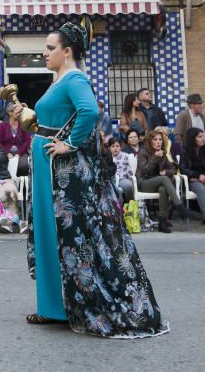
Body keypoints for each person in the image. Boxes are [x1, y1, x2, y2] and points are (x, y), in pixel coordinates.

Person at [17, 17, 169, 337]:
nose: (44, 53)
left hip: (62, 174)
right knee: (50, 234)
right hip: (48, 168)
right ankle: (53, 307)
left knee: (67, 238)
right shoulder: (59, 80)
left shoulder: (74, 79)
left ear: (67, 51)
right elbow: (52, 122)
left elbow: (90, 111)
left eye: (49, 48)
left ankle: (71, 305)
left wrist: (69, 144)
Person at [136, 130, 197, 233]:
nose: (158, 142)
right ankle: (180, 207)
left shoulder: (162, 153)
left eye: (160, 139)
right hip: (144, 183)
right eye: (155, 139)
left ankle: (162, 222)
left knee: (163, 189)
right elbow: (144, 171)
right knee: (164, 180)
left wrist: (166, 171)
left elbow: (173, 168)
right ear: (150, 141)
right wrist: (155, 157)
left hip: (158, 183)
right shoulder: (144, 152)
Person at [0, 102, 32, 170]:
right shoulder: (3, 126)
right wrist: (7, 153)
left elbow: (27, 141)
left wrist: (19, 154)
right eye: (17, 113)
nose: (19, 115)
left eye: (20, 113)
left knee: (23, 164)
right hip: (6, 153)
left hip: (21, 153)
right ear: (10, 113)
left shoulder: (23, 125)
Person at [180, 127, 205, 221]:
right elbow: (183, 169)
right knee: (201, 189)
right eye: (199, 137)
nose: (202, 139)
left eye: (203, 136)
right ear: (192, 138)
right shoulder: (185, 151)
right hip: (192, 181)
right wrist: (197, 176)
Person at [108, 137, 134, 203]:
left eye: (117, 146)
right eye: (113, 146)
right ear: (109, 148)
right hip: (111, 180)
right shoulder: (107, 157)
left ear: (120, 147)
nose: (115, 148)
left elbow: (130, 170)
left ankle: (129, 203)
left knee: (128, 185)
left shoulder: (126, 156)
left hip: (123, 178)